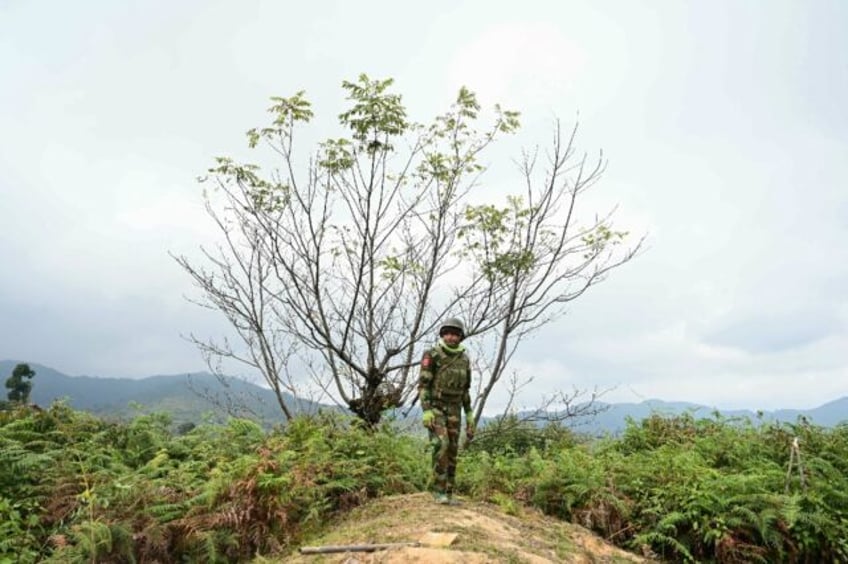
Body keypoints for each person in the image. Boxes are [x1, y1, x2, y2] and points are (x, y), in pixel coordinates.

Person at [417, 317, 475, 504]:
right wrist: (426, 411)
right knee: (441, 445)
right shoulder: (432, 354)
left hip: (455, 409)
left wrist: (470, 415)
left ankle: (449, 493)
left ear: (460, 337)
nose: (451, 337)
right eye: (447, 333)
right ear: (443, 335)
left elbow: (465, 390)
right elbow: (424, 385)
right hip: (436, 407)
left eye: (455, 334)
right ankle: (438, 491)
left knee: (452, 449)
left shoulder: (464, 359)